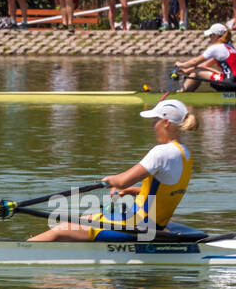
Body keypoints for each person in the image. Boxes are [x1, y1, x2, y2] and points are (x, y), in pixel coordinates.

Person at [29, 98, 196, 243]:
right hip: (155, 223)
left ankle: (22, 249)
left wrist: (111, 180)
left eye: (155, 121)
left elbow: (122, 181)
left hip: (137, 225)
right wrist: (133, 191)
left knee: (62, 229)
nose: (153, 126)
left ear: (165, 122)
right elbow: (168, 191)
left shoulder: (161, 152)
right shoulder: (185, 154)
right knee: (83, 220)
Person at [173, 22, 236, 93]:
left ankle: (183, 92)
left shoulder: (216, 48)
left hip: (227, 84)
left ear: (216, 35)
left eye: (210, 35)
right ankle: (185, 90)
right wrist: (186, 72)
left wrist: (181, 65)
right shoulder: (229, 46)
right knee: (199, 69)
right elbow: (204, 66)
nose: (209, 38)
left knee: (197, 72)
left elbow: (194, 62)